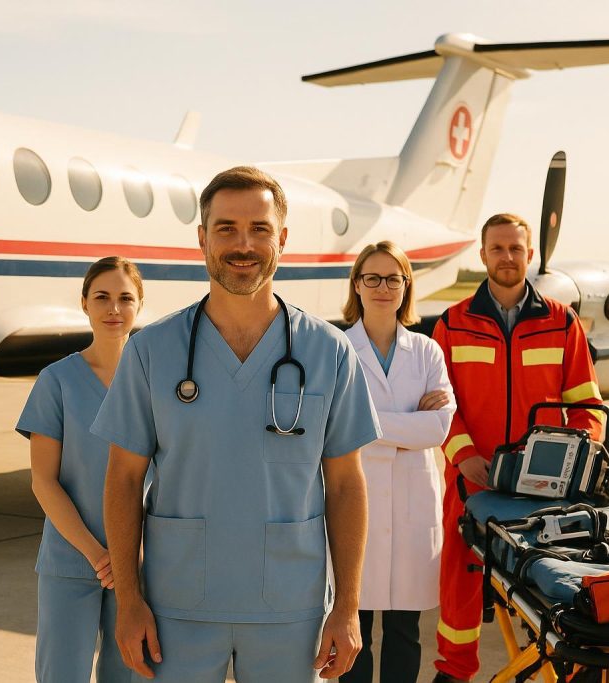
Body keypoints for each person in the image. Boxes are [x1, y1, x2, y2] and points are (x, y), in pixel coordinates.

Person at [90, 166, 380, 682]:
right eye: (226, 228)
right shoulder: (151, 350)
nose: (243, 244)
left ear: (282, 239)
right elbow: (123, 477)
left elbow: (345, 483)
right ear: (202, 238)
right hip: (175, 607)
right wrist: (129, 601)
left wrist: (349, 606)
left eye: (260, 229)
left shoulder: (329, 351)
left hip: (293, 608)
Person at [431, 213, 604, 683]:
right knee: (460, 581)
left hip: (546, 489)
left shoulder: (561, 322)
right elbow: (440, 405)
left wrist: (576, 464)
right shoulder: (452, 324)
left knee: (551, 581)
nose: (508, 257)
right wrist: (464, 455)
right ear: (483, 254)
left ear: (530, 255)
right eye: (498, 248)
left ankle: (564, 662)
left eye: (516, 249)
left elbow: (587, 403)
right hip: (472, 482)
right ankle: (454, 671)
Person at [16, 256, 145, 683]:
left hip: (142, 562)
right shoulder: (57, 380)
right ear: (84, 303)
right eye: (102, 297)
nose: (113, 309)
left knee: (129, 673)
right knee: (61, 675)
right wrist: (97, 555)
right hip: (72, 558)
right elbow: (43, 480)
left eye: (125, 298)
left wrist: (132, 556)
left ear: (139, 304)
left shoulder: (155, 383)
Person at [340, 241, 455, 683]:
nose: (382, 287)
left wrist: (366, 421)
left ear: (406, 286)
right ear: (357, 284)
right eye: (372, 277)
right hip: (357, 503)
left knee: (406, 632)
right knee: (356, 628)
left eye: (393, 278)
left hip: (411, 512)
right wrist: (409, 423)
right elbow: (333, 423)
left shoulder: (427, 351)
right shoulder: (339, 348)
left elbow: (438, 429)